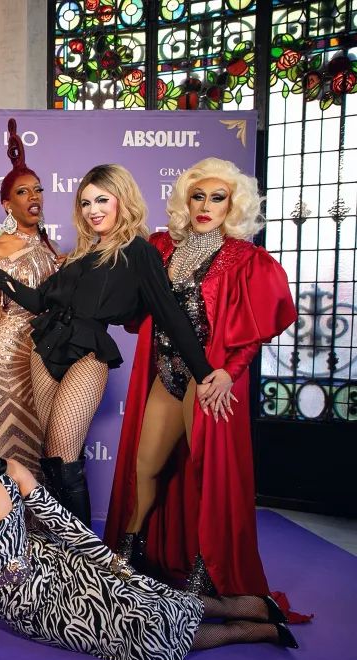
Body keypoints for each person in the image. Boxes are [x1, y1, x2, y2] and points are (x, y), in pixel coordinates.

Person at [0, 362, 299, 660]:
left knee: (143, 593)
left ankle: (248, 606)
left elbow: (63, 525)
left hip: (57, 565)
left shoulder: (7, 471)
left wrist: (114, 565)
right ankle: (248, 630)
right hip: (24, 605)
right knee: (139, 638)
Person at [0, 164, 231, 526]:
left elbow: (170, 314)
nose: (93, 210)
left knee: (63, 450)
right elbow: (39, 302)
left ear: (121, 200)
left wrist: (205, 372)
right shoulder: (81, 255)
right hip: (45, 348)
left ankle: (85, 554)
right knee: (51, 455)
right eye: (86, 203)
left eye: (102, 200)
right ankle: (60, 545)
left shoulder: (139, 252)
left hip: (88, 351)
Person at [104, 158, 300, 602]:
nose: (206, 206)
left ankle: (207, 568)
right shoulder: (161, 248)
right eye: (198, 197)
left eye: (217, 198)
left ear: (232, 205)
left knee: (208, 475)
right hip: (166, 372)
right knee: (145, 466)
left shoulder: (245, 260)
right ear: (185, 202)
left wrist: (230, 373)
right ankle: (130, 551)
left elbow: (256, 329)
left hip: (209, 378)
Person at [0, 119, 58, 478]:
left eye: (37, 190)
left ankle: (36, 512)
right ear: (7, 204)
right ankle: (1, 509)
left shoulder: (48, 245)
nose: (33, 197)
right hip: (4, 355)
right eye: (23, 192)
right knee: (6, 443)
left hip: (42, 351)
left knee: (44, 443)